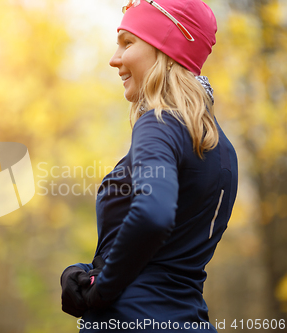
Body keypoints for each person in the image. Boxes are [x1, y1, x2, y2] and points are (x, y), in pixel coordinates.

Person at [60, 0, 238, 332]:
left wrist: (101, 291)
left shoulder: (158, 124)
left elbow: (152, 216)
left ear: (163, 49)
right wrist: (83, 272)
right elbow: (169, 257)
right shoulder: (222, 148)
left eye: (127, 43)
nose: (115, 59)